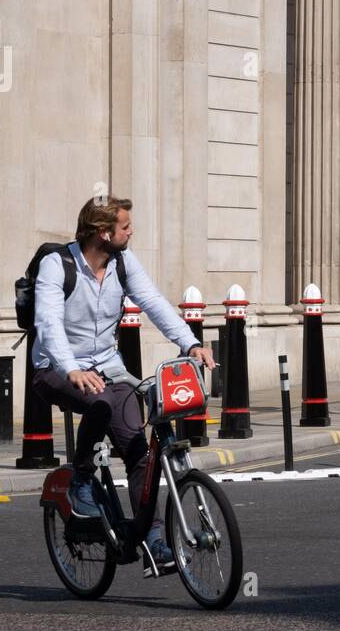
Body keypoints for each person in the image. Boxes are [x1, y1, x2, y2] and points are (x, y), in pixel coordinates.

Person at [32, 195, 215, 568]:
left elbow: (154, 303)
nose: (131, 231)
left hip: (106, 366)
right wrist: (71, 369)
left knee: (138, 450)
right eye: (125, 226)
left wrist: (190, 343)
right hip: (54, 366)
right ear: (103, 232)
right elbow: (48, 324)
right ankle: (81, 478)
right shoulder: (57, 265)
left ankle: (154, 541)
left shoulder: (123, 263)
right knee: (98, 403)